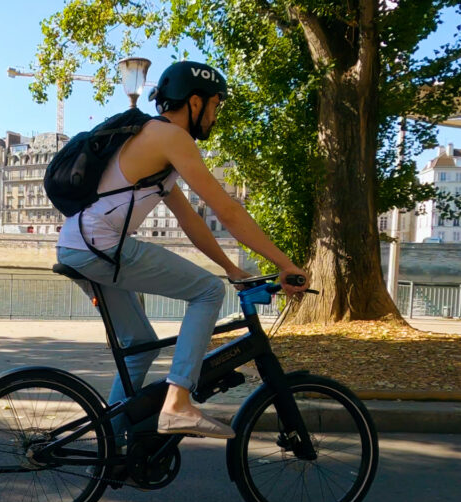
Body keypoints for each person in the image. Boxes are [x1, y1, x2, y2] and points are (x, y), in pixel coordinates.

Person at [56, 60, 309, 441]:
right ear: (195, 102)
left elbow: (193, 224)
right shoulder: (172, 138)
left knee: (139, 347)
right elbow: (228, 210)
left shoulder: (151, 142)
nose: (215, 115)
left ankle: (110, 447)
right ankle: (177, 403)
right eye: (215, 106)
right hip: (101, 247)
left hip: (80, 246)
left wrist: (231, 267)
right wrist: (285, 263)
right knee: (208, 292)